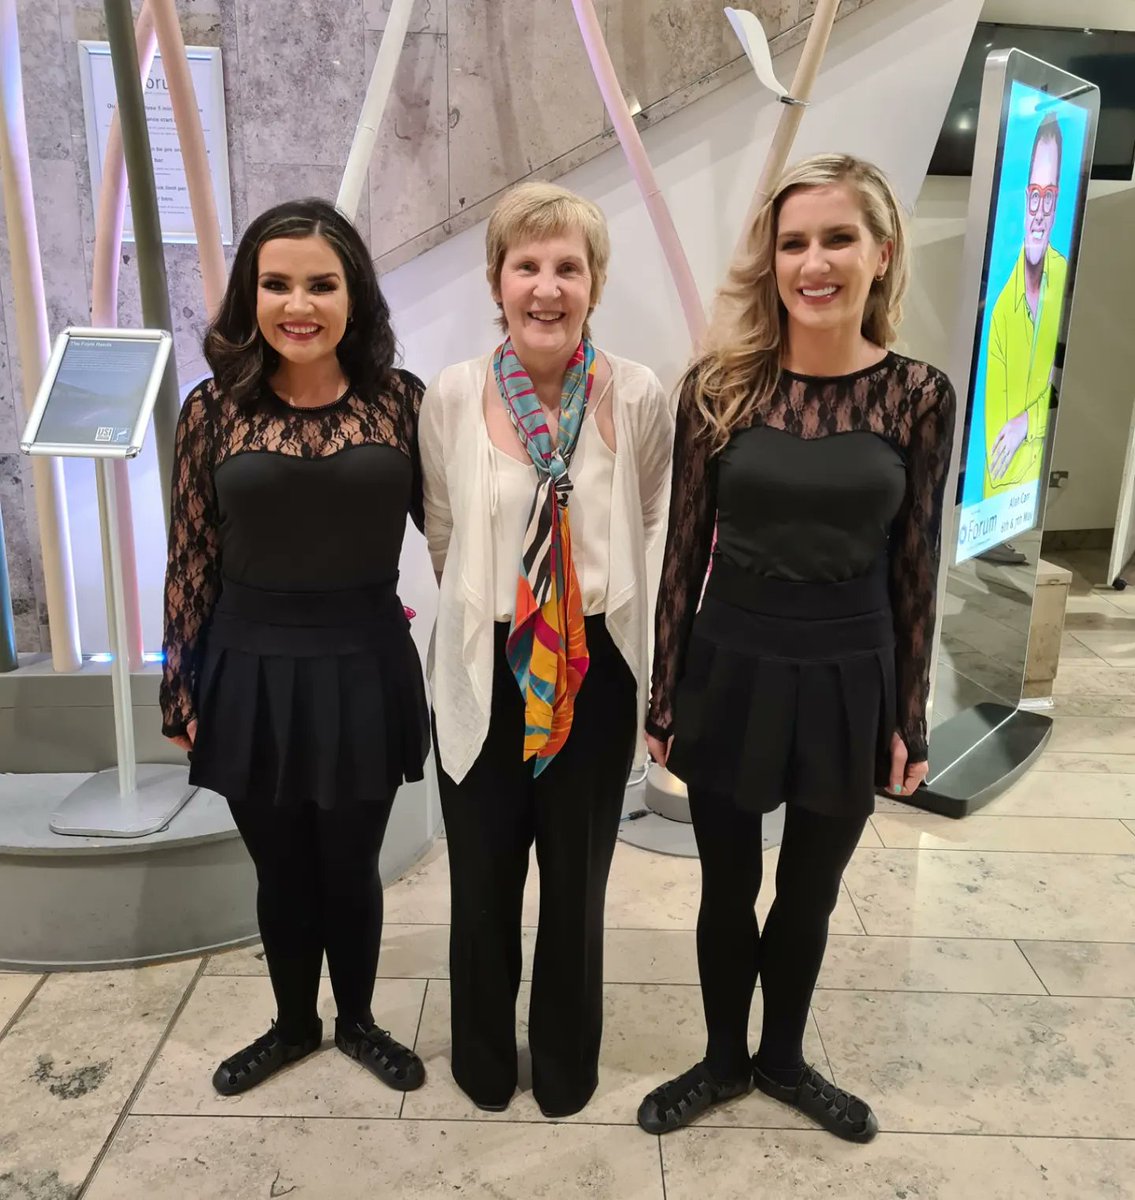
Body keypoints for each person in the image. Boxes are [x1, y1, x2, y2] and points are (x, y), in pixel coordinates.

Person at [636, 155, 955, 1141]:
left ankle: (783, 1061)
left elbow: (916, 565)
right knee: (726, 883)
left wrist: (908, 714)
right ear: (770, 262)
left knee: (809, 889)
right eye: (793, 243)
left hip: (851, 668)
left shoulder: (916, 395)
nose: (813, 263)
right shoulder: (719, 389)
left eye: (836, 239)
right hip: (730, 660)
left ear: (879, 253)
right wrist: (664, 693)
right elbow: (681, 553)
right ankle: (723, 1061)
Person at [161, 198, 429, 1097]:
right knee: (280, 867)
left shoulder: (401, 402)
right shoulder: (211, 409)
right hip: (248, 666)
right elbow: (191, 554)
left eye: (321, 282)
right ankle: (291, 1025)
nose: (298, 304)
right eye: (276, 283)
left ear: (354, 295)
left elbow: (459, 531)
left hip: (363, 659)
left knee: (351, 864)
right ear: (250, 294)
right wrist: (179, 683)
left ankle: (356, 1020)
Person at [420, 181, 674, 1118]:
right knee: (482, 878)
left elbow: (647, 513)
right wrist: (503, 609)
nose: (546, 286)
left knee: (575, 880)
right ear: (497, 279)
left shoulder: (637, 391)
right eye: (526, 264)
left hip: (591, 666)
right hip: (487, 661)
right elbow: (442, 530)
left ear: (594, 283)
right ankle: (483, 1059)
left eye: (567, 265)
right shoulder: (451, 393)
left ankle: (565, 1063)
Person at [984, 114, 1068, 496]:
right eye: (1034, 194)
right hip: (1005, 498)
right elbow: (999, 462)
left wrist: (1026, 423)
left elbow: (1056, 384)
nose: (1039, 212)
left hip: (1031, 495)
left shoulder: (1062, 271)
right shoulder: (1001, 312)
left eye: (1048, 197)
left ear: (1057, 204)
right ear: (1024, 200)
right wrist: (1032, 420)